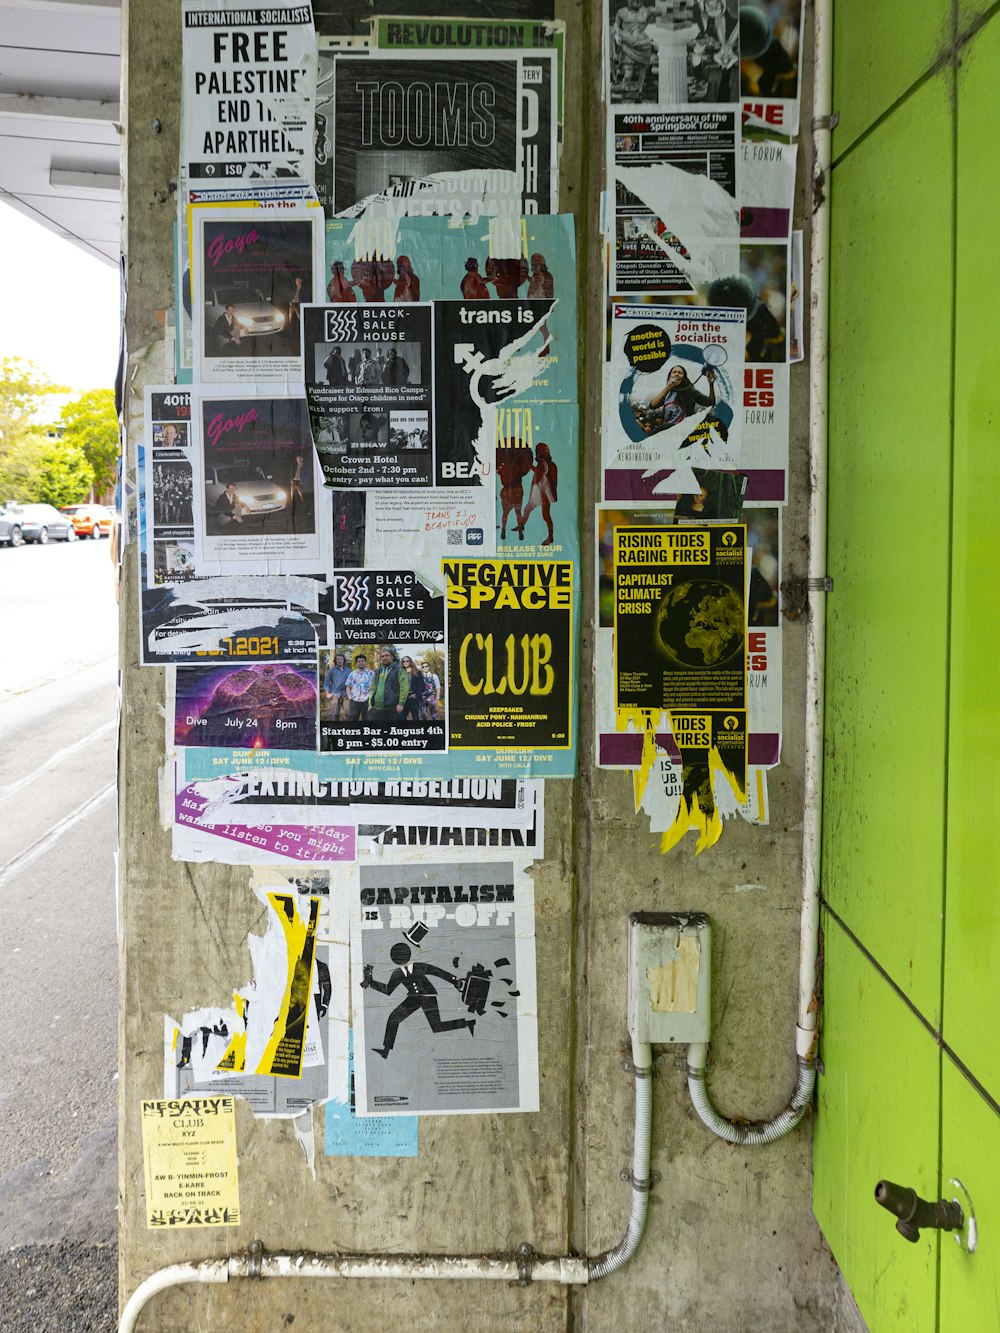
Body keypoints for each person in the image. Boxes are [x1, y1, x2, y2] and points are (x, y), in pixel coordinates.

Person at [361, 941, 474, 1059]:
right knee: (393, 1018)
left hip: (428, 996)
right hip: (413, 999)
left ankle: (468, 1023)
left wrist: (454, 980)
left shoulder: (418, 966)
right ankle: (386, 1050)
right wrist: (371, 982)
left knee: (437, 1027)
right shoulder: (397, 973)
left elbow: (436, 971)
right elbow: (388, 990)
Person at [644, 364, 717, 433]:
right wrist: (667, 387)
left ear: (684, 377)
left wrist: (711, 384)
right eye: (674, 372)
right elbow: (652, 405)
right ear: (670, 376)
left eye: (680, 373)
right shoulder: (667, 392)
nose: (676, 374)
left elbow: (710, 403)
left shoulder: (690, 392)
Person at [521, 442, 558, 546]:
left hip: (543, 494)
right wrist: (532, 467)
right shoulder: (550, 464)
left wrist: (536, 481)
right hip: (544, 494)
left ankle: (550, 537)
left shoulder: (543, 463)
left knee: (545, 515)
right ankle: (521, 525)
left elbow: (541, 473)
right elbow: (541, 471)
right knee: (530, 509)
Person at [368, 646, 409, 722]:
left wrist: (401, 703)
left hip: (392, 708)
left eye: (387, 655)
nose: (384, 658)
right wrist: (370, 703)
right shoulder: (378, 671)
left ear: (392, 657)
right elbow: (372, 688)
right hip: (375, 708)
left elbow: (404, 687)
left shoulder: (399, 670)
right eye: (382, 656)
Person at [344, 654, 374, 722]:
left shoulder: (371, 673)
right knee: (353, 720)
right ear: (357, 663)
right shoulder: (352, 674)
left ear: (365, 662)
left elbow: (375, 687)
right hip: (354, 701)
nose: (361, 662)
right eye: (359, 661)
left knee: (367, 720)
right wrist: (350, 698)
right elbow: (348, 687)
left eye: (362, 661)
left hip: (367, 701)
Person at [323, 652, 351, 721]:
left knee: (349, 714)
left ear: (344, 660)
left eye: (341, 659)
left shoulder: (349, 670)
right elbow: (326, 683)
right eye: (338, 659)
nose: (340, 661)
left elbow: (352, 683)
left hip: (346, 695)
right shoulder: (331, 671)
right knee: (334, 715)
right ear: (335, 660)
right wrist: (328, 694)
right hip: (335, 695)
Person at [398, 655, 425, 722]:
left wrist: (416, 695)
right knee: (401, 718)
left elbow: (422, 686)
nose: (405, 662)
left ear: (410, 661)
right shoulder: (400, 673)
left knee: (416, 718)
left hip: (414, 698)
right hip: (404, 699)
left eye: (407, 661)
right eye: (403, 661)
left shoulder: (418, 672)